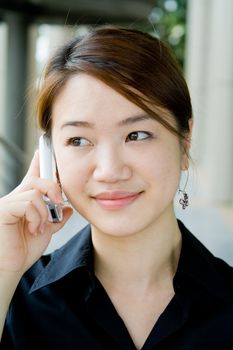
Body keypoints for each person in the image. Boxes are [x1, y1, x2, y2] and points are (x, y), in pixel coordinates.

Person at [1, 26, 233, 350]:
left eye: (136, 135)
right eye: (78, 140)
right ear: (51, 155)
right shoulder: (16, 297)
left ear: (184, 142)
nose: (110, 171)